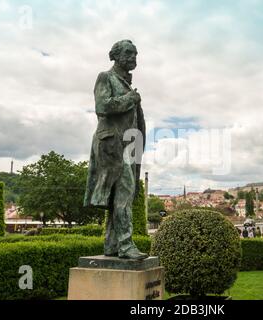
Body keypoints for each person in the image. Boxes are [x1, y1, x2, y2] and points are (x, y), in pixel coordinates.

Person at [84, 40, 147, 260]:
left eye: (135, 54)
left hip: (127, 147)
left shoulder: (126, 83)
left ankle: (111, 245)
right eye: (129, 53)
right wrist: (130, 99)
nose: (133, 57)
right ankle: (126, 245)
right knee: (124, 193)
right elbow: (102, 107)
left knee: (117, 198)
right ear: (116, 56)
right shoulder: (105, 77)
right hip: (112, 146)